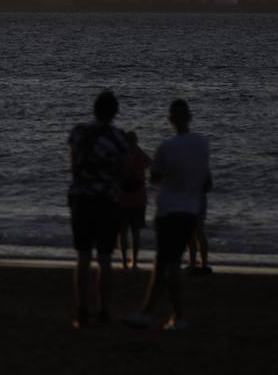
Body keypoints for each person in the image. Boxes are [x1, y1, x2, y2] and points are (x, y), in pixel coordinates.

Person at [123, 99, 212, 331]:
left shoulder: (167, 147)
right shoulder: (202, 144)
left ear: (170, 120)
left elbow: (155, 178)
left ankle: (158, 314)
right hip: (191, 211)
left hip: (169, 211)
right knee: (167, 263)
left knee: (165, 263)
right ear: (190, 117)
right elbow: (207, 181)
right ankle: (165, 314)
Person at [67, 89, 127, 329]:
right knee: (104, 258)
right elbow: (122, 172)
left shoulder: (79, 132)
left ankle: (81, 311)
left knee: (83, 256)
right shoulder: (118, 138)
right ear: (115, 112)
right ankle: (103, 310)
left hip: (81, 198)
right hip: (105, 201)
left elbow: (73, 165)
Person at [117, 130, 152, 270]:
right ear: (136, 141)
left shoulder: (120, 156)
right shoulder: (140, 154)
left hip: (122, 199)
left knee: (123, 233)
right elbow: (150, 163)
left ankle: (124, 261)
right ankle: (135, 262)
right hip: (139, 199)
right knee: (135, 233)